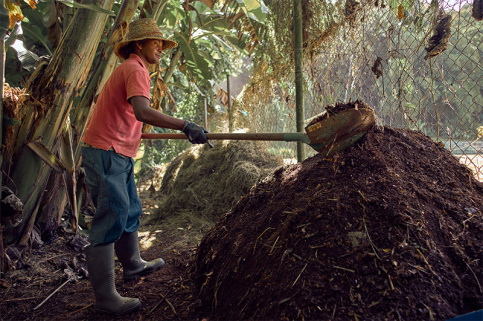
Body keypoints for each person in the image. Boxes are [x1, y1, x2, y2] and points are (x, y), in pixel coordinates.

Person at [80, 18, 209, 315]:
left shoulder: (131, 70)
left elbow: (129, 115)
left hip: (117, 150)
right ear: (139, 45)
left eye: (163, 45)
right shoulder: (136, 69)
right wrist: (185, 125)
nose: (161, 49)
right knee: (111, 215)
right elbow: (142, 111)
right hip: (106, 150)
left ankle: (133, 264)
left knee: (129, 209)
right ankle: (105, 297)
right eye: (156, 43)